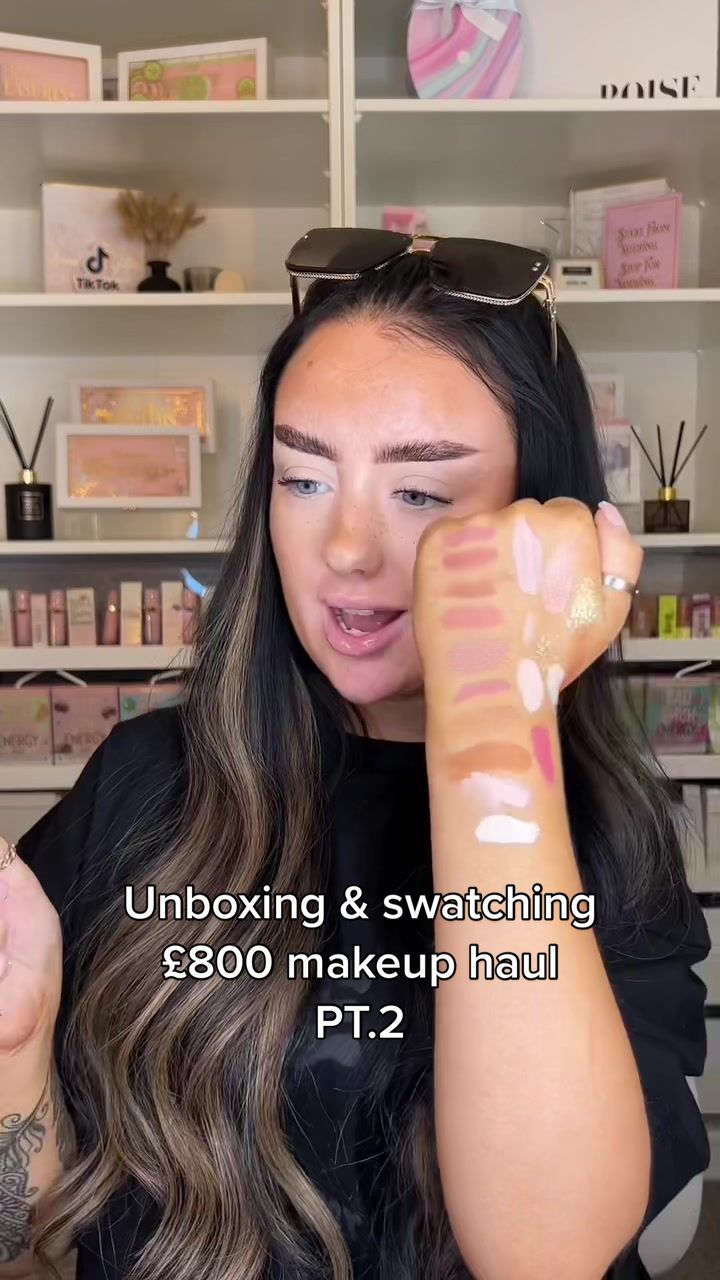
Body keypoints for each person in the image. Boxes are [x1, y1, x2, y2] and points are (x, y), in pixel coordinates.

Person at [0, 232, 711, 1280]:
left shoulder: (608, 836)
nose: (344, 547)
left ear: (539, 518)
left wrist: (495, 702)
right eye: (302, 477)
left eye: (420, 492)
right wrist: (17, 1055)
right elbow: (24, 1234)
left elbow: (546, 1250)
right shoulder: (146, 783)